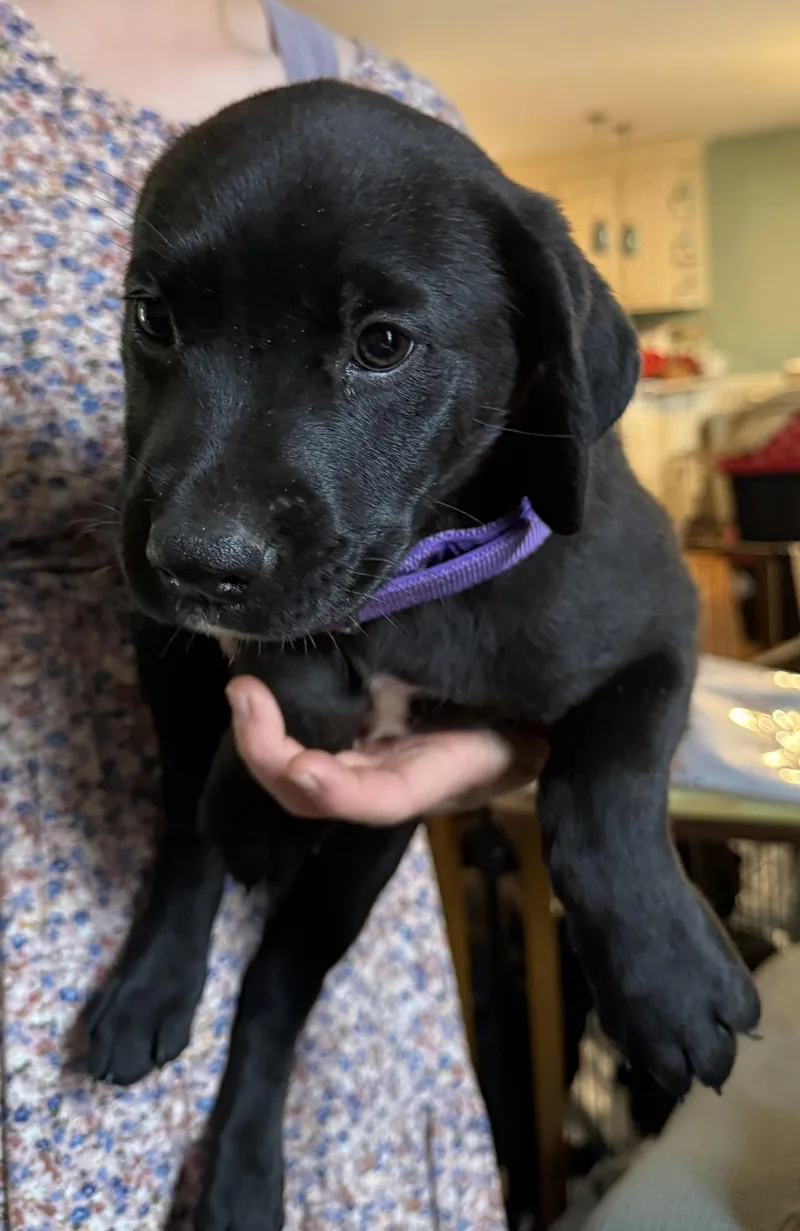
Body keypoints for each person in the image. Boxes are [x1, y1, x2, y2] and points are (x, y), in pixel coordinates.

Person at [0, 2, 512, 1226]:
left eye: (375, 339)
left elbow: (509, 518)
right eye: (157, 321)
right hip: (44, 864)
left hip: (340, 872)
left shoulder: (406, 118)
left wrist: (500, 743)